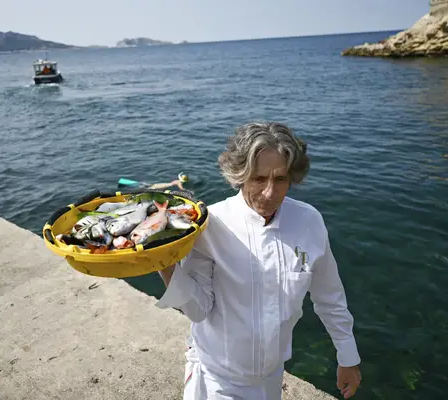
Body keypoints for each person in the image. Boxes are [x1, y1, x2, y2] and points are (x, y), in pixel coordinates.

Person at [155, 122, 362, 399]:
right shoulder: (211, 225)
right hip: (217, 379)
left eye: (280, 180)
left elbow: (329, 295)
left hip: (272, 377)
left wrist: (347, 356)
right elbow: (198, 310)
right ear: (239, 175)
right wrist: (164, 263)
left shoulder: (309, 221)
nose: (269, 192)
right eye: (258, 179)